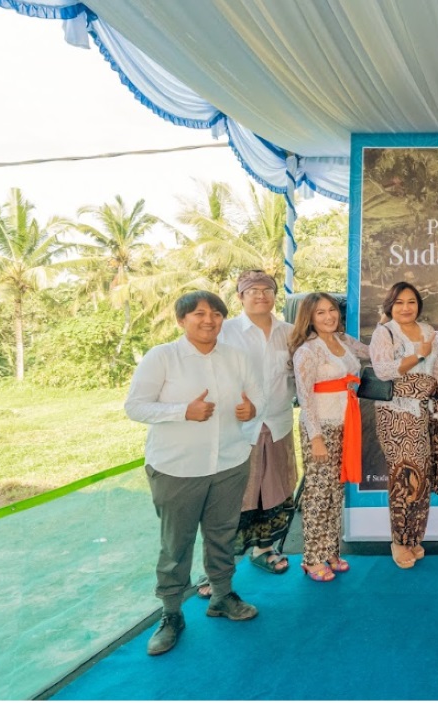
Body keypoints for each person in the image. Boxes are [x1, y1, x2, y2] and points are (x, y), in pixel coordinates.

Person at [125, 290, 265, 656]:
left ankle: (221, 596)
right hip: (177, 468)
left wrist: (252, 409)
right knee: (176, 544)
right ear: (181, 320)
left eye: (216, 313)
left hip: (229, 464)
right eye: (199, 314)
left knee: (222, 535)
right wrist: (183, 411)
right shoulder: (163, 357)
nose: (209, 320)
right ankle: (171, 613)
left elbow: (258, 396)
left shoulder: (237, 356)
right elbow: (135, 407)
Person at [217, 270, 297, 577]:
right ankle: (219, 566)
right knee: (235, 493)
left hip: (277, 423)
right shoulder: (225, 331)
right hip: (238, 428)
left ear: (275, 295)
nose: (261, 294)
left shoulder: (290, 332)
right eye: (253, 290)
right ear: (240, 297)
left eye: (267, 289)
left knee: (273, 487)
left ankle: (264, 549)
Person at [370, 281, 438, 569]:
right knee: (406, 476)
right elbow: (383, 370)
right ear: (391, 305)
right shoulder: (385, 332)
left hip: (426, 412)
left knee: (424, 475)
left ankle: (415, 536)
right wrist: (419, 354)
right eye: (400, 302)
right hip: (396, 414)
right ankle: (399, 541)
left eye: (411, 302)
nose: (406, 308)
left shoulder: (427, 331)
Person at [289, 293, 370, 582]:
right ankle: (311, 558)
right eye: (320, 312)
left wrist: (388, 327)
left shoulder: (344, 341)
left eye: (332, 310)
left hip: (346, 423)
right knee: (318, 493)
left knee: (336, 491)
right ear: (309, 317)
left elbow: (372, 353)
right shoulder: (307, 351)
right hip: (321, 426)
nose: (328, 316)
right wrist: (316, 437)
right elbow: (305, 397)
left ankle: (331, 551)